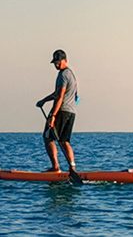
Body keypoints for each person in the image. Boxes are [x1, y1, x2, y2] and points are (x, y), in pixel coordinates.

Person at [36, 49, 79, 178]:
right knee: (64, 141)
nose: (56, 65)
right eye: (55, 62)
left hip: (62, 111)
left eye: (58, 62)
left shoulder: (63, 75)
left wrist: (53, 115)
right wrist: (44, 100)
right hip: (71, 112)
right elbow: (67, 94)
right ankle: (72, 168)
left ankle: (55, 167)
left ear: (65, 60)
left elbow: (60, 96)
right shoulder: (71, 75)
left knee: (48, 137)